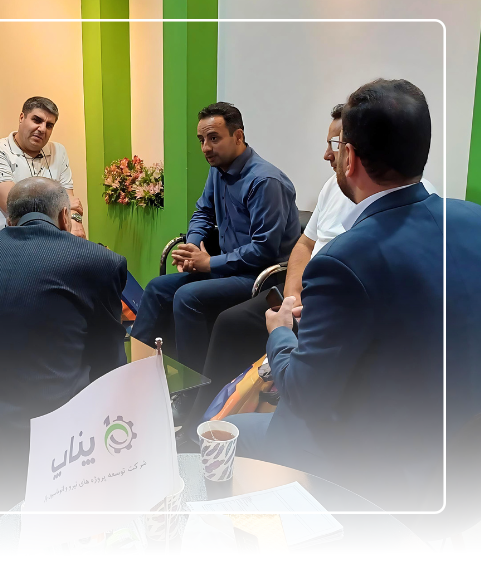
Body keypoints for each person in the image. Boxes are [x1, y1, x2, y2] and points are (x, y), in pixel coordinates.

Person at [228, 79, 481, 510]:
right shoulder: (472, 220)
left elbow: (304, 394)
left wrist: (280, 332)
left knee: (224, 433)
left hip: (375, 465)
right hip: (458, 457)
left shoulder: (345, 260)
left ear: (350, 157)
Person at [183, 103, 437, 433]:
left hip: (330, 304)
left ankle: (236, 426)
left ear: (355, 152)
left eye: (335, 145)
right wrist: (292, 295)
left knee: (203, 306)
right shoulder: (334, 187)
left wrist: (286, 324)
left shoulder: (399, 209)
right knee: (229, 322)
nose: (327, 155)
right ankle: (207, 413)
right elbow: (304, 245)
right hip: (301, 291)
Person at [0, 176, 126, 442]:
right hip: (50, 433)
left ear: (9, 220)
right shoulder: (99, 261)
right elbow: (108, 358)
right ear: (65, 217)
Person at [131, 102, 299, 373]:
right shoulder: (218, 170)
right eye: (201, 140)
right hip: (228, 270)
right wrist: (192, 247)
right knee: (156, 288)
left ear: (238, 136)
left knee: (187, 297)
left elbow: (264, 250)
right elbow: (203, 212)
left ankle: (195, 387)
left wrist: (208, 263)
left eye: (213, 138)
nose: (205, 148)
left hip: (261, 276)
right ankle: (136, 371)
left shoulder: (265, 181)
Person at [0, 96, 85, 240]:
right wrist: (62, 203)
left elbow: (70, 204)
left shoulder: (58, 151)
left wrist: (75, 220)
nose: (42, 129)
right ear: (21, 118)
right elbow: (16, 208)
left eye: (49, 125)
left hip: (43, 238)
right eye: (36, 120)